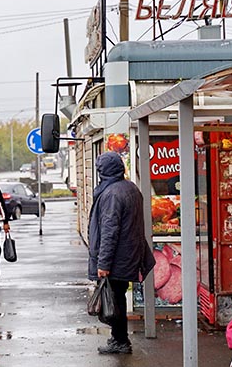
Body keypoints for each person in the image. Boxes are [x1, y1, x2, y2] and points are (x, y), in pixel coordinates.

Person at [88, 152, 155, 355]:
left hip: (117, 258)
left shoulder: (111, 194)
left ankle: (120, 341)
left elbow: (109, 232)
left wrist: (103, 264)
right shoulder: (130, 188)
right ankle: (119, 339)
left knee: (114, 299)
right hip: (128, 254)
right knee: (117, 298)